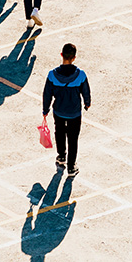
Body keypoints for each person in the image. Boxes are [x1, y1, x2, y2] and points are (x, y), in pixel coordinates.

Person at [43, 43, 91, 178]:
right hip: (74, 113)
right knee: (73, 138)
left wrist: (45, 109)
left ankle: (61, 157)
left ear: (61, 55)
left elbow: (47, 94)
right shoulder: (80, 75)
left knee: (59, 132)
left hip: (58, 111)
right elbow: (86, 92)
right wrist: (87, 104)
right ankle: (71, 167)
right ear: (74, 58)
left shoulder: (52, 75)